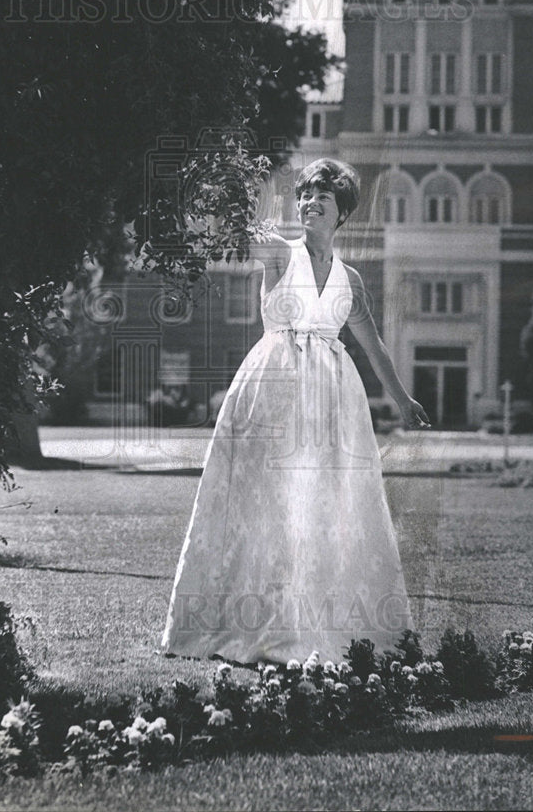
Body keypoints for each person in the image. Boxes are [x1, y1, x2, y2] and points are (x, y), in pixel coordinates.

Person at [162, 159, 430, 664]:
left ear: (342, 212)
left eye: (320, 198)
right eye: (304, 196)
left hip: (333, 404)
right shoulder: (279, 254)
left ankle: (326, 625)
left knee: (328, 508)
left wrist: (402, 399)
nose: (308, 204)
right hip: (276, 391)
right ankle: (261, 627)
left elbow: (375, 349)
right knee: (270, 507)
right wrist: (214, 186)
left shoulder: (350, 280)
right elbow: (236, 232)